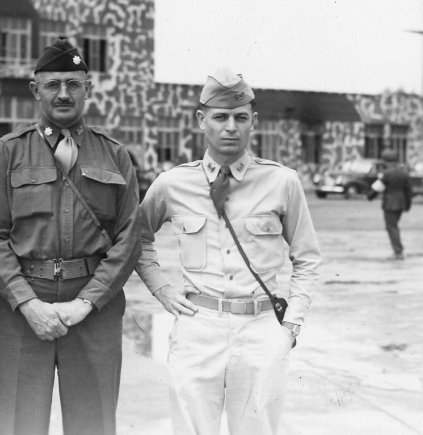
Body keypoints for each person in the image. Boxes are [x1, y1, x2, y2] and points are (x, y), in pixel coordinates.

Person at [136, 69, 321, 435]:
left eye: (240, 118)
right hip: (198, 327)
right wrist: (162, 290)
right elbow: (137, 239)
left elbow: (308, 257)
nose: (231, 127)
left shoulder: (282, 182)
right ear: (201, 120)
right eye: (220, 117)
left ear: (254, 121)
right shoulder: (173, 183)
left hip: (261, 329)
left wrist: (290, 324)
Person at [0, 38, 141, 435]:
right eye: (53, 84)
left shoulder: (114, 155)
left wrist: (86, 302)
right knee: (15, 424)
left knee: (92, 424)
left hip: (92, 308)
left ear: (89, 88)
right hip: (21, 308)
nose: (63, 93)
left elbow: (129, 238)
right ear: (36, 90)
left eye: (73, 83)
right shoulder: (8, 152)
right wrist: (27, 303)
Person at [368, 149, 413, 259]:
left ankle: (398, 252)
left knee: (391, 227)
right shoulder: (403, 173)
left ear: (385, 161)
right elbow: (409, 191)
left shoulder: (386, 173)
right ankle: (398, 251)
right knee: (393, 226)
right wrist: (408, 205)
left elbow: (378, 188)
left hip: (390, 204)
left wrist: (370, 196)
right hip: (401, 203)